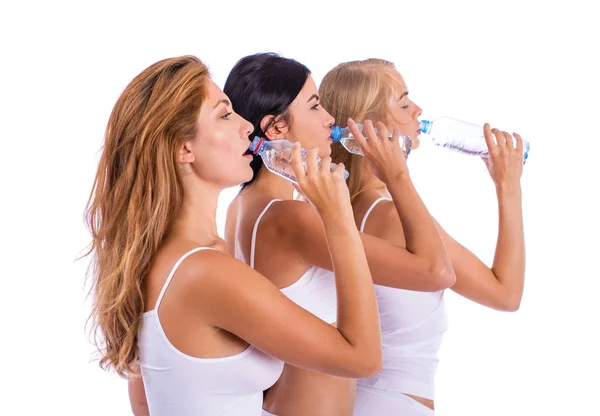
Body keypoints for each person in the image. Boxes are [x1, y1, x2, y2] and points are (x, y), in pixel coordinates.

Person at [85, 55, 383, 416]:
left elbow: (144, 403)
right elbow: (362, 358)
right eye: (225, 114)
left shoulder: (167, 258)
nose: (246, 126)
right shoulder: (205, 271)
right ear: (184, 148)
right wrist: (337, 219)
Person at [223, 53, 455, 415]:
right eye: (314, 106)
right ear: (276, 128)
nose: (329, 118)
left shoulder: (245, 206)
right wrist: (396, 175)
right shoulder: (290, 217)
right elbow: (436, 271)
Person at [320, 58, 526, 415]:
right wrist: (508, 186)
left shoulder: (340, 208)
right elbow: (505, 293)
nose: (417, 110)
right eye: (402, 103)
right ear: (367, 128)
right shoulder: (390, 217)